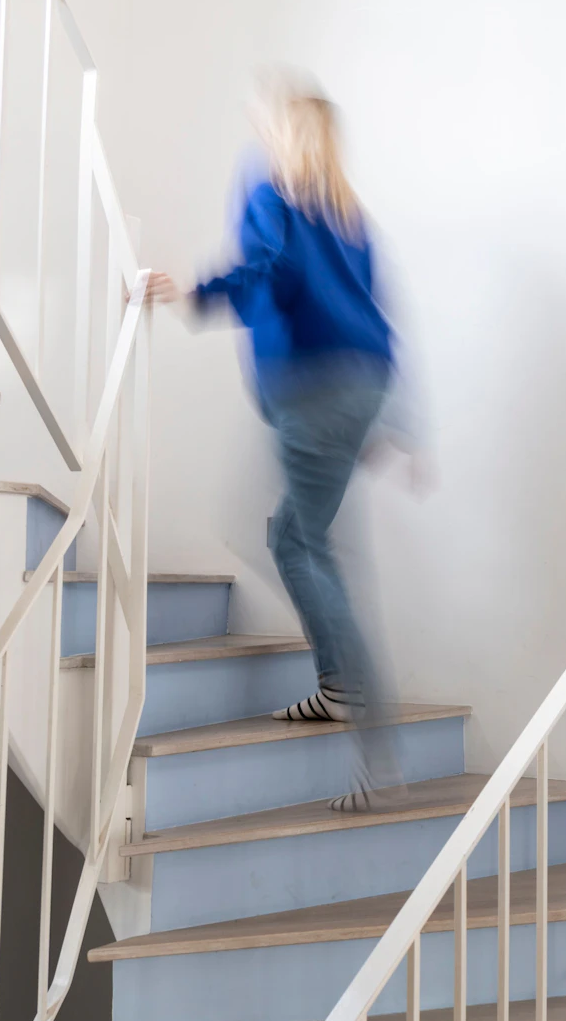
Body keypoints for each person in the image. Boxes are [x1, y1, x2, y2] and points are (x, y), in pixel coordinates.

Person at [149, 80, 404, 810]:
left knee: (302, 545)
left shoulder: (272, 188)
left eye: (264, 119)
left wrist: (193, 291)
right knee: (295, 533)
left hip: (314, 386)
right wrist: (389, 422)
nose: (255, 129)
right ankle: (335, 688)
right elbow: (375, 312)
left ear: (283, 130)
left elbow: (267, 269)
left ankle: (366, 721)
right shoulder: (349, 214)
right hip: (361, 383)